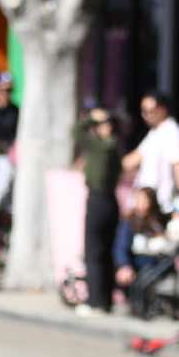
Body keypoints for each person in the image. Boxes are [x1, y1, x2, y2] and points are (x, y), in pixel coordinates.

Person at [76, 106, 122, 316]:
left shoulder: (99, 146)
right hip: (111, 201)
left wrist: (91, 119)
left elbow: (76, 131)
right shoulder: (115, 147)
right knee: (106, 253)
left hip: (98, 200)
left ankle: (94, 301)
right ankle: (105, 300)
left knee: (93, 252)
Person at [123, 93, 179, 210]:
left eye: (150, 111)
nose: (146, 115)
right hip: (143, 203)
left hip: (160, 206)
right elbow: (131, 161)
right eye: (143, 111)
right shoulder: (155, 132)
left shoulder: (172, 133)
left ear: (163, 109)